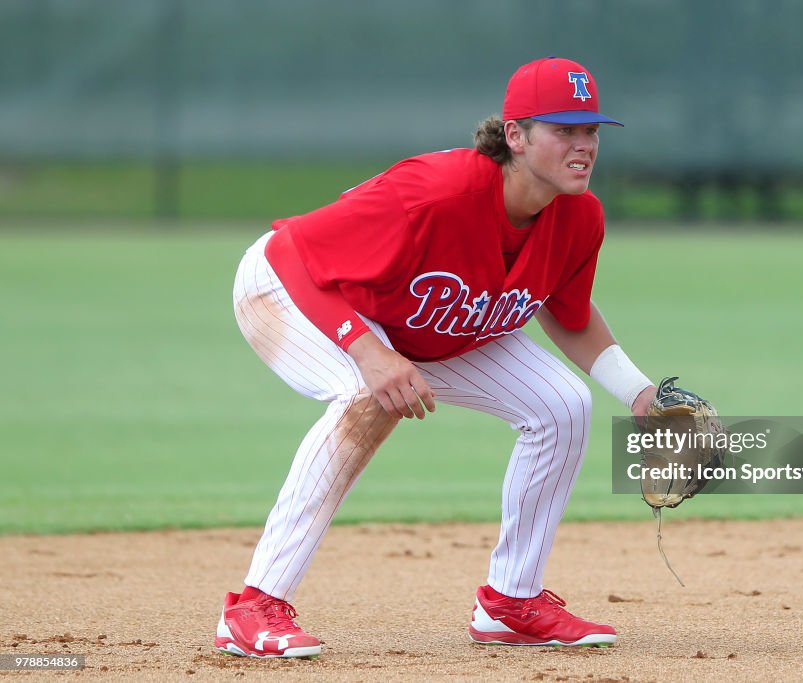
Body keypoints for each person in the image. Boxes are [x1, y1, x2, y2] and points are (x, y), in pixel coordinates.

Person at [216, 56, 656, 657]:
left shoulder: (579, 217)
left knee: (563, 404)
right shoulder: (432, 193)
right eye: (564, 130)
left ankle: (510, 603)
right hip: (289, 289)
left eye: (590, 132)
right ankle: (253, 606)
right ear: (516, 136)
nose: (583, 146)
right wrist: (367, 351)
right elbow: (295, 255)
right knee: (367, 397)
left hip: (414, 322)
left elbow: (568, 313)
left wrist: (640, 394)